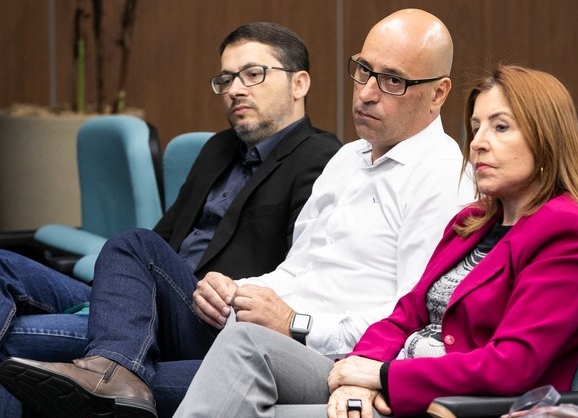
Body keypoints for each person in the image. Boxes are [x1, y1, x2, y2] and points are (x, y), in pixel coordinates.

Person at [0, 8, 472, 417]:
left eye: (392, 81)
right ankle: (116, 370)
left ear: (438, 93)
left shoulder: (441, 178)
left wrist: (294, 323)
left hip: (309, 354)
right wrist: (235, 289)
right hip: (247, 326)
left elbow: (412, 321)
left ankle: (116, 371)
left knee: (17, 350)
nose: (366, 92)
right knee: (134, 245)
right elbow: (296, 269)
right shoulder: (348, 158)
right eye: (363, 70)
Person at [173, 64, 578, 418]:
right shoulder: (472, 221)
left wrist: (381, 377)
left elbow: (511, 366)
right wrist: (355, 374)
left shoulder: (563, 232)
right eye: (475, 127)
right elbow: (405, 314)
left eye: (501, 127)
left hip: (450, 404)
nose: (478, 143)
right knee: (246, 342)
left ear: (546, 138)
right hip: (388, 381)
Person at [0, 21, 342, 416]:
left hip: (212, 318)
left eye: (253, 74)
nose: (235, 89)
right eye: (226, 79)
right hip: (148, 303)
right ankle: (116, 358)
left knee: (19, 339)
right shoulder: (218, 148)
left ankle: (114, 368)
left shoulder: (321, 157)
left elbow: (305, 274)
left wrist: (232, 293)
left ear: (299, 84)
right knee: (5, 263)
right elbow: (165, 239)